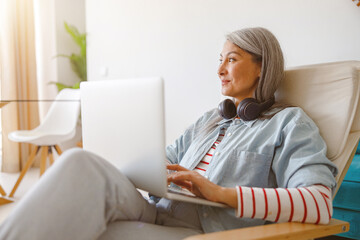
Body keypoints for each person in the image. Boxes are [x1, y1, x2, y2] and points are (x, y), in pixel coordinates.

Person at [0, 27, 337, 240]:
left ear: (263, 66)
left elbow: (319, 202)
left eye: (231, 59)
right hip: (158, 210)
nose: (219, 69)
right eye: (220, 59)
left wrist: (220, 193)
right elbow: (166, 157)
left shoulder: (290, 123)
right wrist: (147, 160)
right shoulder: (211, 120)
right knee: (80, 162)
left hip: (203, 230)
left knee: (85, 227)